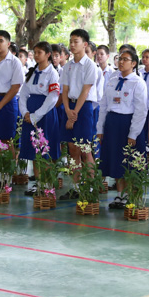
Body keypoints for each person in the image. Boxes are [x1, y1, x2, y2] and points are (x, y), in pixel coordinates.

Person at [97, 49, 148, 209]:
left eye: (125, 59)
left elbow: (141, 110)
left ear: (133, 64)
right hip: (112, 123)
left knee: (130, 161)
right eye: (120, 59)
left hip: (128, 123)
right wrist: (100, 128)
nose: (121, 62)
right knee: (116, 160)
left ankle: (131, 195)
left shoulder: (137, 82)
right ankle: (120, 195)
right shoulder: (112, 80)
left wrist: (133, 133)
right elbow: (103, 105)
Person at [59, 29, 98, 200]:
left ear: (85, 44)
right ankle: (76, 187)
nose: (72, 44)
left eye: (76, 41)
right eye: (71, 41)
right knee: (72, 148)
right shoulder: (67, 66)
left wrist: (73, 114)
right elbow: (65, 90)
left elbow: (85, 91)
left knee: (84, 149)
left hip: (84, 107)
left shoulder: (90, 65)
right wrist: (68, 111)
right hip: (70, 106)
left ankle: (90, 187)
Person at [19, 41, 61, 196]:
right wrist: (25, 112)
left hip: (45, 114)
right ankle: (38, 184)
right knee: (34, 150)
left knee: (45, 151)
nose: (36, 55)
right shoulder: (32, 72)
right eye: (35, 52)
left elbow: (53, 97)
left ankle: (47, 184)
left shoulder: (52, 73)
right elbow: (23, 94)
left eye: (39, 52)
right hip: (30, 114)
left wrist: (36, 115)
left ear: (48, 54)